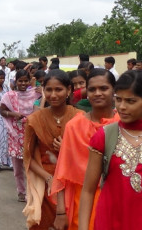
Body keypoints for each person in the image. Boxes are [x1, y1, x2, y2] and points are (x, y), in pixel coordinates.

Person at [51, 69, 118, 230]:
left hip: (118, 199)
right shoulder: (74, 126)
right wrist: (60, 213)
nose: (97, 93)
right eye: (92, 89)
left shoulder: (123, 124)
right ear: (86, 92)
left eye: (103, 88)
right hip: (82, 201)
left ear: (114, 90)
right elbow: (62, 172)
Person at [79, 70, 142, 230]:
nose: (122, 106)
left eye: (130, 101)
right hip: (110, 221)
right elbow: (88, 191)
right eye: (118, 99)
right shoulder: (106, 136)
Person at [22, 69, 82, 229]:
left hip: (73, 182)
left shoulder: (80, 118)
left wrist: (67, 150)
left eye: (59, 89)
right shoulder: (34, 120)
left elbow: (88, 155)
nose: (53, 95)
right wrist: (49, 179)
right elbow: (28, 157)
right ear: (43, 90)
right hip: (45, 184)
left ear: (69, 90)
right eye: (49, 89)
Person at [0, 70, 41, 202]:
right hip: (15, 133)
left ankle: (32, 191)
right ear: (15, 81)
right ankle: (21, 191)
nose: (23, 83)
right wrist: (13, 114)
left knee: (31, 164)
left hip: (32, 132)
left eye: (25, 81)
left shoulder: (36, 94)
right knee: (17, 166)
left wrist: (43, 91)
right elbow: (2, 111)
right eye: (20, 81)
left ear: (29, 81)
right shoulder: (9, 96)